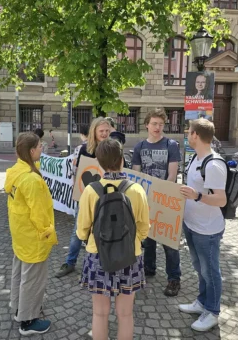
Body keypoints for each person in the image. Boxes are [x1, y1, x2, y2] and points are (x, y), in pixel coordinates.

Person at [77, 139, 150, 340]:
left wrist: (86, 239)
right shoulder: (136, 189)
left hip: (98, 255)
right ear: (122, 160)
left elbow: (82, 228)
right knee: (125, 314)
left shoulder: (91, 190)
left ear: (99, 163)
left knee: (99, 313)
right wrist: (134, 241)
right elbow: (144, 228)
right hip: (130, 256)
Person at [5, 132, 58, 336]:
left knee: (20, 274)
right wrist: (49, 234)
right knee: (33, 279)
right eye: (39, 146)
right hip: (33, 237)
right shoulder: (31, 180)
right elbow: (40, 215)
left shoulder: (16, 172)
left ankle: (19, 309)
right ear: (31, 151)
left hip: (21, 235)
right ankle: (28, 321)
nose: (42, 148)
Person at [178, 119, 227, 332]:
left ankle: (213, 312)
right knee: (200, 268)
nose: (187, 135)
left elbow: (221, 200)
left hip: (207, 229)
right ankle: (202, 302)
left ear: (196, 135)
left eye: (189, 132)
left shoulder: (214, 164)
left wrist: (197, 195)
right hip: (192, 224)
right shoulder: (195, 159)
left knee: (211, 271)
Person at [131, 108, 183, 297]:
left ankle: (174, 278)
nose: (157, 127)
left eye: (161, 124)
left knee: (169, 242)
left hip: (166, 200)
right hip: (146, 200)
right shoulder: (139, 148)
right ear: (146, 124)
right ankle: (149, 268)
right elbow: (136, 174)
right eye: (154, 124)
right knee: (148, 237)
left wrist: (161, 195)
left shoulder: (171, 145)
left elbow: (172, 174)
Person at [55, 117, 111, 278]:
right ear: (94, 131)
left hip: (106, 197)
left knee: (104, 230)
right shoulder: (84, 149)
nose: (105, 134)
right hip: (85, 196)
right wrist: (77, 191)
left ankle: (104, 263)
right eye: (102, 131)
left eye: (107, 131)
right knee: (78, 230)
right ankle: (70, 262)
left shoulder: (113, 148)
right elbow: (77, 173)